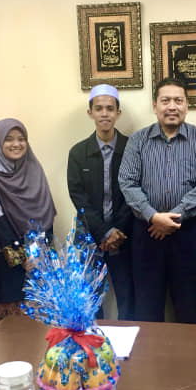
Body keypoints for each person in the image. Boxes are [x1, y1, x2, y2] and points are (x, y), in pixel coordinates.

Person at [118, 77, 196, 324]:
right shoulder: (138, 140)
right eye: (165, 101)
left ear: (187, 105)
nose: (172, 106)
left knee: (190, 309)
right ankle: (149, 352)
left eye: (178, 100)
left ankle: (190, 352)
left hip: (189, 234)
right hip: (147, 233)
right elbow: (127, 182)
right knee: (147, 310)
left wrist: (172, 219)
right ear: (155, 106)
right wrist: (153, 216)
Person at [0, 118, 56, 321]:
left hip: (38, 257)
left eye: (21, 139)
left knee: (40, 317)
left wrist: (38, 253)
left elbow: (46, 212)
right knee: (10, 324)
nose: (16, 144)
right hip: (4, 256)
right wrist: (22, 256)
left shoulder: (34, 168)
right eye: (8, 139)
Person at [67, 84, 134, 320]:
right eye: (99, 108)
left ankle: (129, 340)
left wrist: (117, 231)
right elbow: (78, 197)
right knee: (90, 299)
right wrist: (104, 232)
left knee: (128, 296)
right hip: (89, 236)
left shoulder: (132, 148)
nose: (104, 114)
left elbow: (135, 192)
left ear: (118, 112)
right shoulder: (78, 152)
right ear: (90, 113)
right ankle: (94, 340)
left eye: (110, 108)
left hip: (125, 235)